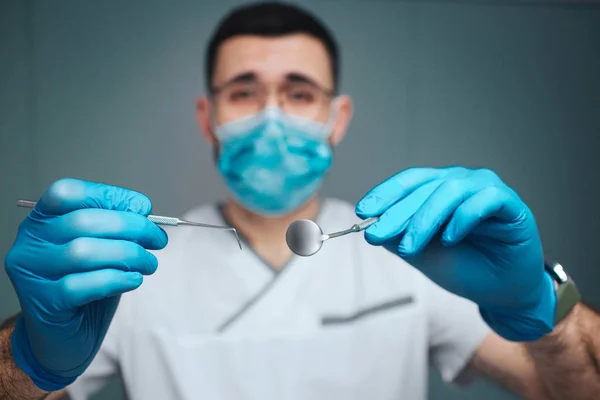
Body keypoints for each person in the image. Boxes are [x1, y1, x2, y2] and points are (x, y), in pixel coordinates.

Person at [1, 2, 599, 399]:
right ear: (208, 118)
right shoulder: (132, 264)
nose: (271, 118)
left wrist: (549, 308)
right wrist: (31, 354)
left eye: (299, 92)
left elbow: (566, 390)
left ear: (337, 119)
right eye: (243, 92)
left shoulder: (418, 256)